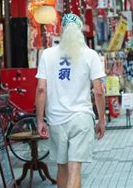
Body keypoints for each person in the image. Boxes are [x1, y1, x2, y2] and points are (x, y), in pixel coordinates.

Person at [35, 14, 106, 188]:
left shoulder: (47, 54)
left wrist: (39, 120)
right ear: (80, 31)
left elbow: (41, 89)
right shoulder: (90, 55)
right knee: (75, 169)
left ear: (62, 30)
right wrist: (102, 119)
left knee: (61, 167)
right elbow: (98, 91)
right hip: (81, 118)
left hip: (56, 119)